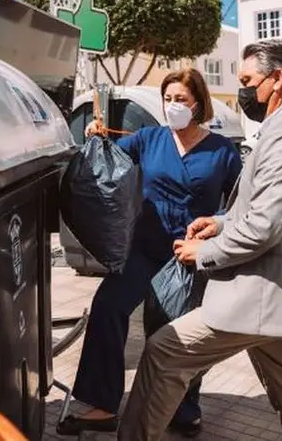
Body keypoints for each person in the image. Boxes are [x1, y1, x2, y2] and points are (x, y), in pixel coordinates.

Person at [117, 39, 282, 441]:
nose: (242, 91)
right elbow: (267, 208)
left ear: (276, 79)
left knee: (165, 351)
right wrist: (219, 224)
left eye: (247, 80)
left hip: (267, 292)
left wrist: (204, 251)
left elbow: (264, 227)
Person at [57, 68, 243, 437]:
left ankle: (183, 407)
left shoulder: (221, 151)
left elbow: (239, 203)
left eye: (181, 100)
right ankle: (102, 404)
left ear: (199, 104)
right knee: (108, 309)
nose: (173, 106)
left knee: (176, 333)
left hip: (187, 256)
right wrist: (95, 139)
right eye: (168, 99)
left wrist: (214, 229)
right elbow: (107, 162)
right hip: (142, 248)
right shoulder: (148, 139)